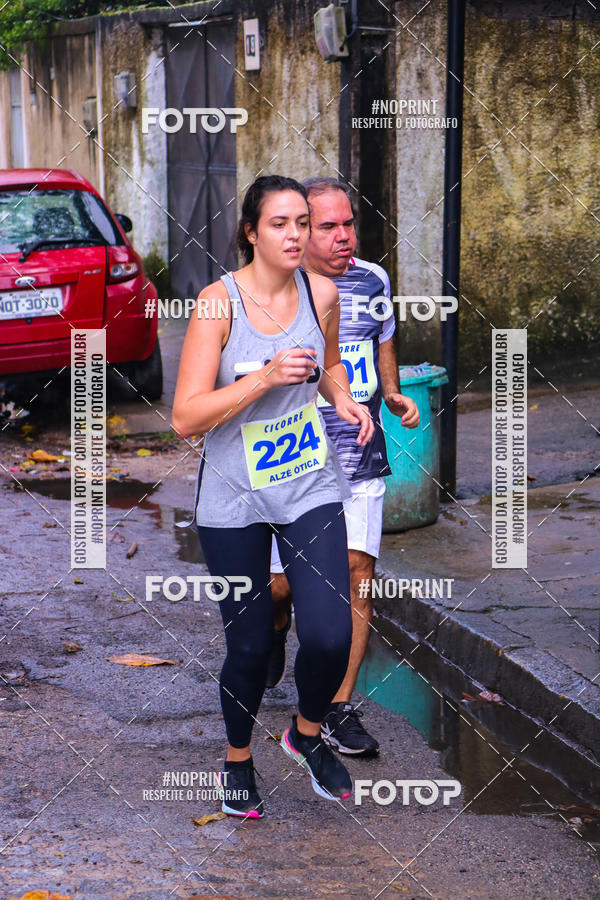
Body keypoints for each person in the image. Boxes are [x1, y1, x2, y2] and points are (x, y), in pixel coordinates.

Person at [172, 175, 374, 819]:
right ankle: (237, 759)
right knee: (252, 644)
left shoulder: (323, 292)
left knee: (330, 634)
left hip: (309, 484)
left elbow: (331, 365)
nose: (295, 235)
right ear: (251, 233)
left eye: (302, 223)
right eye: (280, 223)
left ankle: (306, 736)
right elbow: (185, 417)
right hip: (234, 498)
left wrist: (343, 399)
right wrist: (261, 378)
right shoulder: (217, 304)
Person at [267, 177, 420, 757]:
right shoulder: (273, 290)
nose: (343, 237)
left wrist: (394, 392)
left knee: (358, 574)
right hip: (291, 461)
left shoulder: (374, 280)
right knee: (280, 587)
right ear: (301, 232)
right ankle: (277, 622)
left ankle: (336, 707)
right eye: (327, 226)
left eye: (348, 223)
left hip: (358, 456)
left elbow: (382, 340)